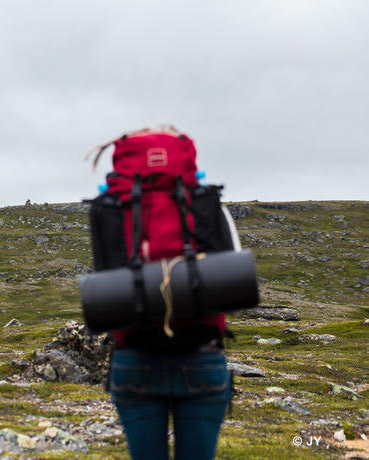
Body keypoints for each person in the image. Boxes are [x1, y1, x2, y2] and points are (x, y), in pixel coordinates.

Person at [87, 126, 233, 459]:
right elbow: (229, 279)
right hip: (202, 358)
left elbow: (106, 274)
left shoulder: (113, 206)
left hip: (133, 360)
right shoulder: (201, 199)